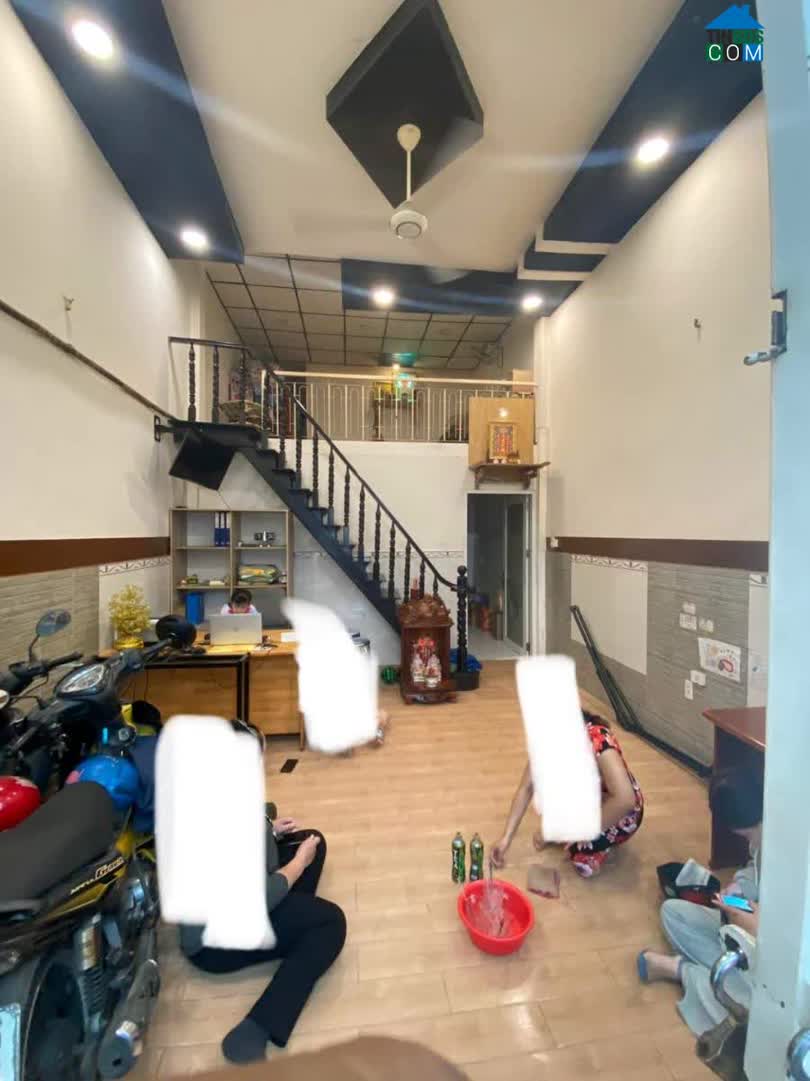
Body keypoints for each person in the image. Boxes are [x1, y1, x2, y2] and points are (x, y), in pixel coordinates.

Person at [179, 811, 346, 1064]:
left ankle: (295, 932)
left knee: (313, 842)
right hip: (214, 945)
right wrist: (297, 865)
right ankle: (256, 1029)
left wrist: (269, 829)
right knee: (331, 923)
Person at [637, 766, 763, 1035]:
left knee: (758, 1016)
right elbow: (756, 868)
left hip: (777, 960)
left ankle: (682, 971)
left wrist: (756, 927)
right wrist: (740, 887)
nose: (753, 840)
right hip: (751, 934)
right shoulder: (768, 836)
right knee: (673, 912)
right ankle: (723, 973)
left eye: (750, 833)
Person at [491, 710, 643, 878]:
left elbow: (625, 800)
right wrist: (506, 839)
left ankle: (598, 846)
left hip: (621, 813)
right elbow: (526, 788)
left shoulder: (597, 738)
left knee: (582, 860)